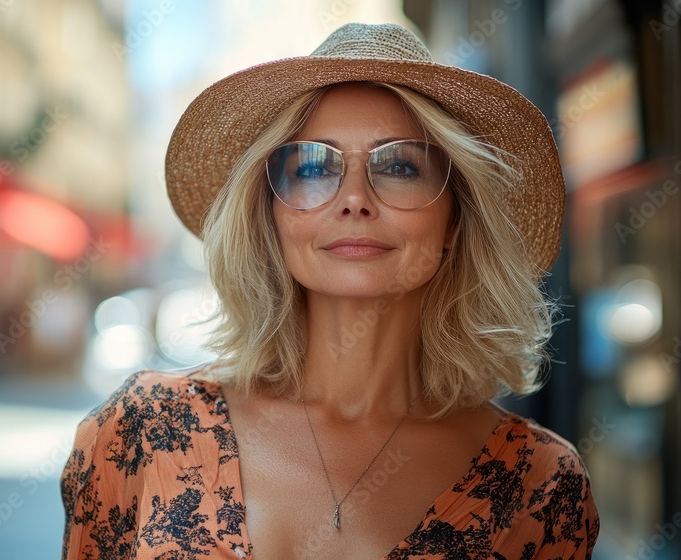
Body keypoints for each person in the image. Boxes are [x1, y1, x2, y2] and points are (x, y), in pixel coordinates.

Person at [61, 23, 599, 559]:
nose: (354, 199)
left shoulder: (542, 486)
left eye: (399, 166)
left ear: (456, 221)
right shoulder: (142, 430)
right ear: (271, 217)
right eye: (314, 167)